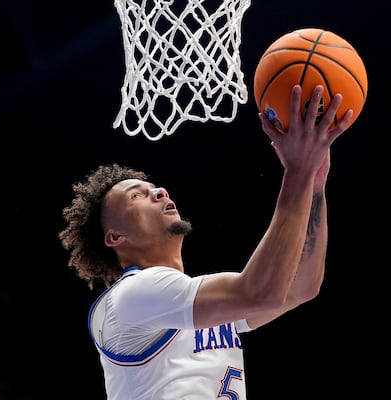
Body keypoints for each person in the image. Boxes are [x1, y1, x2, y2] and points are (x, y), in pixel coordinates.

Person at [58, 84, 353, 400]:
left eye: (155, 187)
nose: (160, 192)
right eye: (137, 196)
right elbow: (261, 292)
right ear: (116, 237)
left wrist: (314, 184)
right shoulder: (132, 296)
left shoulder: (186, 303)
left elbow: (300, 287)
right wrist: (298, 171)